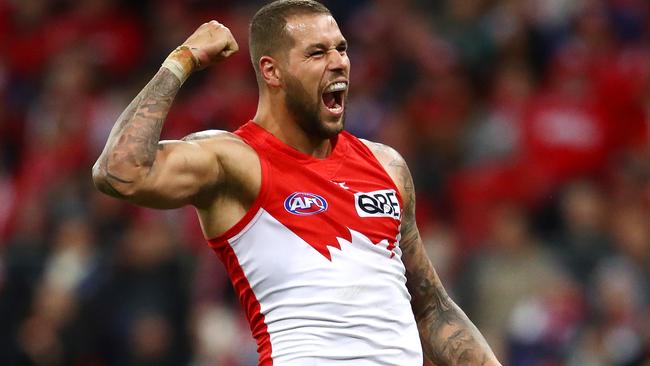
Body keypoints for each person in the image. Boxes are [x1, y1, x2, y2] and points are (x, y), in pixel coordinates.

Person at [93, 0, 501, 364]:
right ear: (272, 71)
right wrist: (182, 61)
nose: (339, 62)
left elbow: (432, 309)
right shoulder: (234, 160)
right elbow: (120, 172)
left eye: (341, 48)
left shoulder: (386, 165)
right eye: (317, 53)